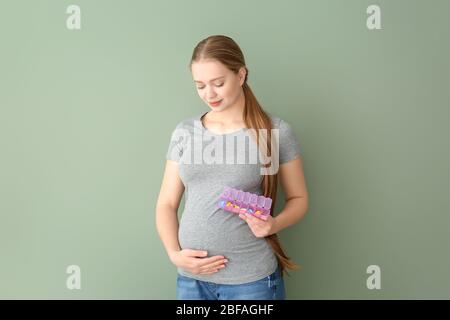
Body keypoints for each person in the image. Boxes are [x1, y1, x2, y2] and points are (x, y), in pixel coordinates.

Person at [155, 35, 309, 300]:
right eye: (200, 86)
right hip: (192, 281)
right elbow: (166, 203)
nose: (209, 94)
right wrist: (174, 254)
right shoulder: (185, 132)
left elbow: (299, 198)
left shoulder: (273, 132)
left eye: (218, 83)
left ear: (241, 74)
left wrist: (273, 225)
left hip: (251, 283)